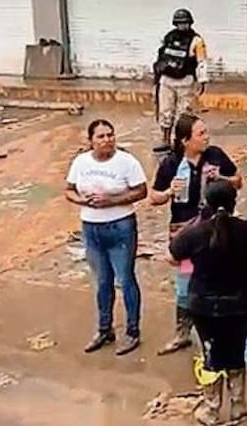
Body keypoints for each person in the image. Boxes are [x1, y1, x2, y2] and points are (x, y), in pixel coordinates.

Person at [149, 113, 243, 355]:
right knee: (185, 282)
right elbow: (153, 197)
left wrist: (221, 178)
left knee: (216, 277)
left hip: (215, 228)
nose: (206, 137)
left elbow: (238, 180)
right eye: (200, 134)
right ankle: (182, 331)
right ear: (185, 140)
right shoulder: (171, 164)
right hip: (186, 232)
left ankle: (214, 329)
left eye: (205, 132)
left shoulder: (215, 155)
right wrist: (170, 191)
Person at [170, 180, 247, 425]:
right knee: (236, 352)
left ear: (206, 202)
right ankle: (239, 405)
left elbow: (172, 256)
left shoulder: (195, 233)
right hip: (238, 304)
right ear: (234, 202)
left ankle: (211, 408)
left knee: (208, 354)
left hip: (202, 305)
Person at [64, 119, 148, 356]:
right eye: (101, 136)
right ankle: (104, 329)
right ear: (90, 140)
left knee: (126, 279)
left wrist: (112, 201)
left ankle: (132, 331)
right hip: (91, 227)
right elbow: (69, 189)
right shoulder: (81, 162)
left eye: (110, 135)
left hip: (120, 226)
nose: (107, 140)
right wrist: (82, 200)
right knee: (102, 281)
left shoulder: (126, 162)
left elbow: (141, 190)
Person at [153, 9, 210, 153]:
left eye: (185, 23)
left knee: (183, 115)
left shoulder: (197, 41)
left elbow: (201, 61)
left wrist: (202, 80)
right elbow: (161, 58)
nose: (182, 26)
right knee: (165, 112)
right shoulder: (169, 37)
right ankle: (165, 140)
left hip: (186, 82)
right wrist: (157, 76)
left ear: (190, 23)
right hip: (166, 81)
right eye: (179, 23)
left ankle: (178, 143)